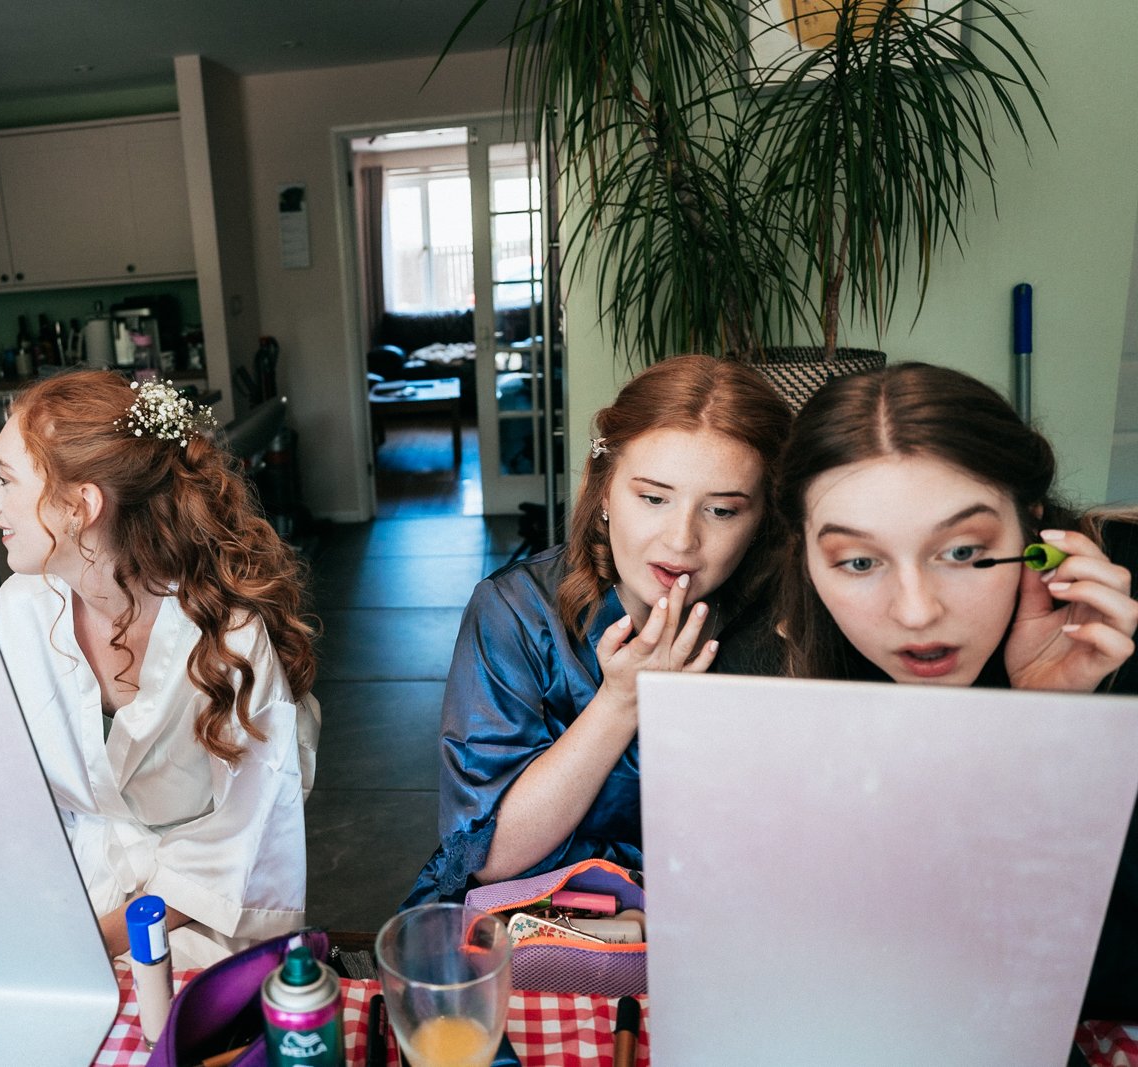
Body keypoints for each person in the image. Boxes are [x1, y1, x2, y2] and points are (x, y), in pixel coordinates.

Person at [773, 361, 1138, 1021]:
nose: (916, 612)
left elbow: (1102, 980)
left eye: (964, 552)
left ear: (1031, 526)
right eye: (859, 561)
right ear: (804, 553)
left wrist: (1044, 725)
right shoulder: (766, 675)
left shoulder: (1114, 647)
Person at [407, 354, 793, 905]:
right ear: (606, 490)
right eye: (654, 498)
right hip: (535, 919)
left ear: (761, 519)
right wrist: (620, 702)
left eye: (723, 511)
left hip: (717, 918)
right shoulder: (515, 611)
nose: (682, 541)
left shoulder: (788, 623)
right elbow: (489, 857)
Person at [0, 372, 320, 966]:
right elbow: (9, 788)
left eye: (6, 479)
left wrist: (98, 941)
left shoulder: (227, 632)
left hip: (200, 909)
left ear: (82, 505)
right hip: (70, 891)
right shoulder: (21, 607)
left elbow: (248, 831)